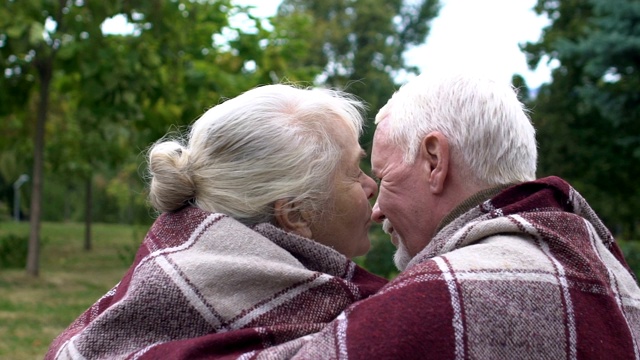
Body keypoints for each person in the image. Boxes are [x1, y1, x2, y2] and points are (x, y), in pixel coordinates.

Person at [250, 73, 640, 359]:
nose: (377, 210)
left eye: (384, 178)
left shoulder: (442, 296)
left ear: (435, 161)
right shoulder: (611, 276)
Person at [45, 84, 387, 360]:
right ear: (297, 214)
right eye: (354, 172)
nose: (371, 186)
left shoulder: (146, 295)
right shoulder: (339, 336)